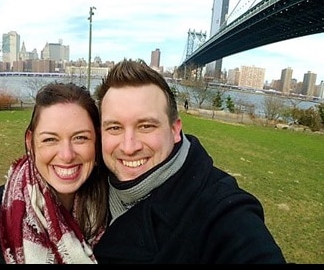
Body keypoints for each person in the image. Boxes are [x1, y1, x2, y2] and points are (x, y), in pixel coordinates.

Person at [93, 59, 287, 264]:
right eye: (114, 128)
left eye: (146, 126)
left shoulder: (219, 210)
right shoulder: (86, 188)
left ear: (175, 130)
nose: (129, 147)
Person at [0, 82, 108, 264]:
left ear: (97, 141)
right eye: (50, 139)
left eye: (80, 138)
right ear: (30, 142)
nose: (67, 155)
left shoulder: (116, 213)